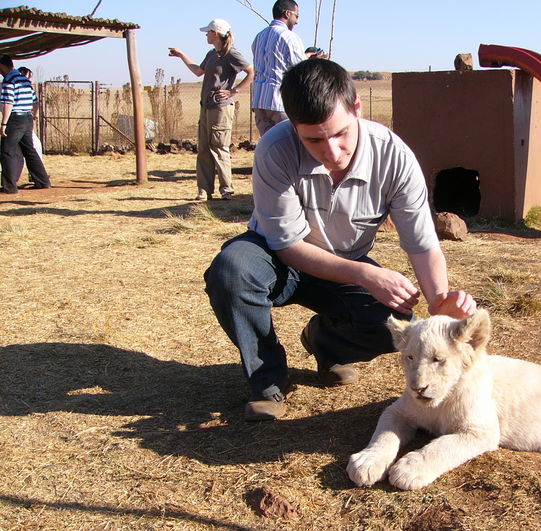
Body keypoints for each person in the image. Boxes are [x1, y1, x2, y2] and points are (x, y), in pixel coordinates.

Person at [204, 58, 477, 421]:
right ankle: (267, 381)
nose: (331, 152)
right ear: (293, 126)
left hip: (344, 262)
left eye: (340, 133)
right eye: (313, 139)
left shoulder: (394, 156)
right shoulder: (275, 148)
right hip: (275, 257)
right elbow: (287, 245)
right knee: (231, 271)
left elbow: (422, 243)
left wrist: (440, 302)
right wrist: (366, 275)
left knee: (395, 319)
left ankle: (325, 344)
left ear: (357, 109)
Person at [169, 18, 253, 202]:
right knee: (204, 149)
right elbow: (198, 72)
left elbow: (251, 71)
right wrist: (182, 55)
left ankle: (226, 190)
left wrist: (234, 91)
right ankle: (204, 190)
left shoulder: (232, 54)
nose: (206, 35)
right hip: (206, 106)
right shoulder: (211, 54)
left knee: (220, 148)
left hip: (221, 108)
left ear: (216, 33)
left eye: (208, 32)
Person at [251, 0, 306, 137]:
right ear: (288, 13)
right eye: (296, 16)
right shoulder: (290, 37)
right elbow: (300, 71)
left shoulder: (259, 36)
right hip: (280, 101)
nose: (297, 21)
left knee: (270, 149)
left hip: (259, 101)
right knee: (290, 148)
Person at [0, 54, 50, 194]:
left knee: (7, 151)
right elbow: (35, 101)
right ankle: (43, 181)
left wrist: (4, 123)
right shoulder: (24, 79)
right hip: (27, 117)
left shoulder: (9, 80)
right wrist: (33, 116)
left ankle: (9, 187)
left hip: (15, 118)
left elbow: (8, 103)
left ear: (2, 66)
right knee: (30, 150)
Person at [16, 67, 43, 183]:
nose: (30, 80)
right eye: (29, 77)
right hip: (18, 120)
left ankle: (12, 178)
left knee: (21, 151)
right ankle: (35, 175)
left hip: (22, 120)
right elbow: (35, 102)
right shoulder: (21, 86)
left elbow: (36, 102)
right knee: (33, 147)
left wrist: (34, 116)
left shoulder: (22, 86)